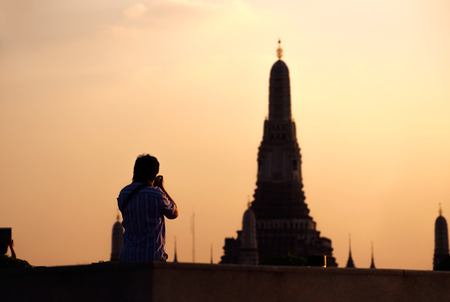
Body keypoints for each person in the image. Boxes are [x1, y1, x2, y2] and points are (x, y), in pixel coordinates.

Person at [118, 154, 178, 263]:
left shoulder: (124, 193)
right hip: (151, 257)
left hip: (128, 257)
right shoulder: (156, 194)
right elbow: (174, 213)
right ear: (154, 175)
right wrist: (162, 188)